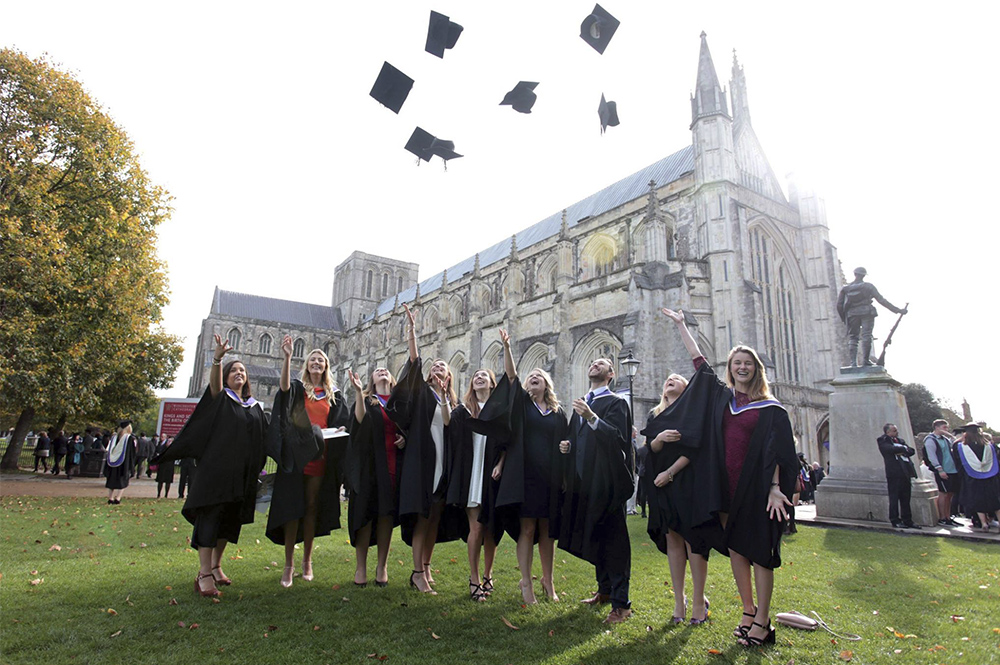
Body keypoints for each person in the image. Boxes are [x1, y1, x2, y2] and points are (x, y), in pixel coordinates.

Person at [662, 308, 797, 647]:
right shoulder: (724, 400)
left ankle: (763, 622)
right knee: (737, 550)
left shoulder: (770, 408)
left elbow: (781, 452)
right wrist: (682, 325)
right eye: (737, 362)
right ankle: (748, 612)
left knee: (761, 554)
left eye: (747, 363)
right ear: (731, 368)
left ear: (756, 369)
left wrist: (777, 488)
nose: (741, 367)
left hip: (758, 489)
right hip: (726, 488)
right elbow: (699, 364)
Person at [151, 333, 268, 598]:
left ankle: (216, 566)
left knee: (229, 520)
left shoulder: (254, 407)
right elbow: (214, 388)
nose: (239, 373)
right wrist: (217, 359)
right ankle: (203, 573)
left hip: (240, 475)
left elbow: (266, 436)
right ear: (226, 377)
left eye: (243, 371)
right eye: (233, 370)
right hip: (216, 472)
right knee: (211, 518)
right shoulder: (221, 398)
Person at [385, 303, 459, 595]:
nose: (438, 367)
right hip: (423, 459)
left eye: (444, 367)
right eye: (435, 366)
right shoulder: (422, 392)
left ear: (450, 377)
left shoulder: (450, 401)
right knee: (422, 515)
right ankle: (416, 573)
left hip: (444, 460)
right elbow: (414, 363)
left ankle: (427, 567)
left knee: (436, 516)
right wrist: (413, 332)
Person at [266, 337, 350, 588]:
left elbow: (338, 420)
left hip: (320, 457)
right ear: (307, 365)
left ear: (326, 366)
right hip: (296, 456)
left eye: (320, 360)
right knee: (293, 508)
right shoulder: (297, 388)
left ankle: (307, 562)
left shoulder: (333, 394)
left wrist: (340, 428)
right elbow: (282, 391)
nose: (316, 362)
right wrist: (287, 357)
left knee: (312, 506)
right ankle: (289, 565)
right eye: (312, 359)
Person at [558, 357, 633, 625]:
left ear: (610, 374)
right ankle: (604, 590)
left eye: (601, 363)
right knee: (596, 534)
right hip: (583, 483)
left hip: (607, 482)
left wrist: (591, 416)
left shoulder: (616, 402)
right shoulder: (582, 401)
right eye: (591, 362)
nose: (594, 364)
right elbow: (573, 437)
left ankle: (622, 604)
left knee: (615, 541)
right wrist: (566, 447)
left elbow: (617, 438)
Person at [495, 329, 568, 605]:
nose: (534, 378)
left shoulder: (558, 412)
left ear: (546, 383)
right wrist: (507, 347)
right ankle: (526, 581)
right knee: (527, 529)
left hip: (550, 477)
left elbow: (566, 439)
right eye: (531, 377)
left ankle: (548, 581)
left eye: (539, 376)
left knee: (548, 530)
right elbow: (512, 376)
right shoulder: (524, 405)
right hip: (525, 476)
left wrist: (567, 448)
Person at [642, 372, 713, 625]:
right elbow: (650, 448)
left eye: (676, 378)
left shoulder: (691, 413)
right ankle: (678, 602)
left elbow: (696, 448)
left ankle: (698, 601)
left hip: (687, 481)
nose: (669, 379)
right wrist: (659, 439)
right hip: (662, 484)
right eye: (667, 379)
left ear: (686, 388)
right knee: (673, 539)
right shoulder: (655, 414)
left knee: (694, 540)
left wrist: (670, 473)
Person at [446, 365, 510, 602]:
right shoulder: (463, 411)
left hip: (492, 472)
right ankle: (474, 579)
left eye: (485, 376)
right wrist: (444, 400)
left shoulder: (499, 411)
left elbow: (507, 440)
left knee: (492, 528)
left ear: (492, 384)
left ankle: (488, 574)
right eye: (476, 377)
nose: (479, 378)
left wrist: (500, 464)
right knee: (477, 527)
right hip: (472, 474)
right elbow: (449, 430)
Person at [344, 367, 405, 588]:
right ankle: (361, 567)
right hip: (368, 465)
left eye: (386, 370)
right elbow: (358, 421)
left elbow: (406, 428)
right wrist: (359, 392)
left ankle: (382, 566)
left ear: (391, 378)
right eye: (377, 370)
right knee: (366, 514)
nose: (382, 371)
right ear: (371, 379)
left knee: (386, 515)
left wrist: (403, 439)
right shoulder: (368, 400)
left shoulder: (398, 403)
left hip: (391, 464)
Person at [836, 267, 907, 367]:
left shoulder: (846, 289)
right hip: (867, 312)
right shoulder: (868, 286)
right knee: (867, 336)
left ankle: (853, 363)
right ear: (864, 275)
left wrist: (844, 318)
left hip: (852, 314)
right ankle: (865, 361)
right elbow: (882, 300)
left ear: (855, 274)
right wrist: (897, 310)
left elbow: (839, 305)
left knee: (853, 338)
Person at [954, 423, 1000, 533]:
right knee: (995, 501)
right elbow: (997, 460)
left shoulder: (960, 447)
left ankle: (984, 523)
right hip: (990, 477)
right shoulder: (990, 446)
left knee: (978, 500)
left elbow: (959, 463)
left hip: (972, 477)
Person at [877, 423, 920, 530]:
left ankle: (907, 519)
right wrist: (902, 449)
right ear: (888, 432)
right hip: (894, 473)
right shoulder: (882, 440)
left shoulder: (900, 441)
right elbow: (889, 450)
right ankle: (895, 519)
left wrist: (901, 449)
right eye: (894, 430)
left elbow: (911, 451)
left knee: (906, 498)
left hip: (905, 472)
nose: (897, 432)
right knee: (894, 498)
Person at [923, 419, 961, 527]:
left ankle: (948, 516)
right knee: (943, 493)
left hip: (952, 469)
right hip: (942, 470)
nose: (946, 430)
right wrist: (939, 469)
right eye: (944, 427)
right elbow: (932, 455)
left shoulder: (945, 439)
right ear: (937, 427)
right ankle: (942, 517)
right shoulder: (931, 439)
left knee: (950, 494)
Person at [104, 421, 136, 504]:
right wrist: (131, 466)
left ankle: (110, 498)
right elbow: (131, 453)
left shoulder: (114, 437)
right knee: (123, 480)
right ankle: (118, 498)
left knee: (111, 480)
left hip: (112, 462)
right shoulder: (129, 438)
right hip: (123, 464)